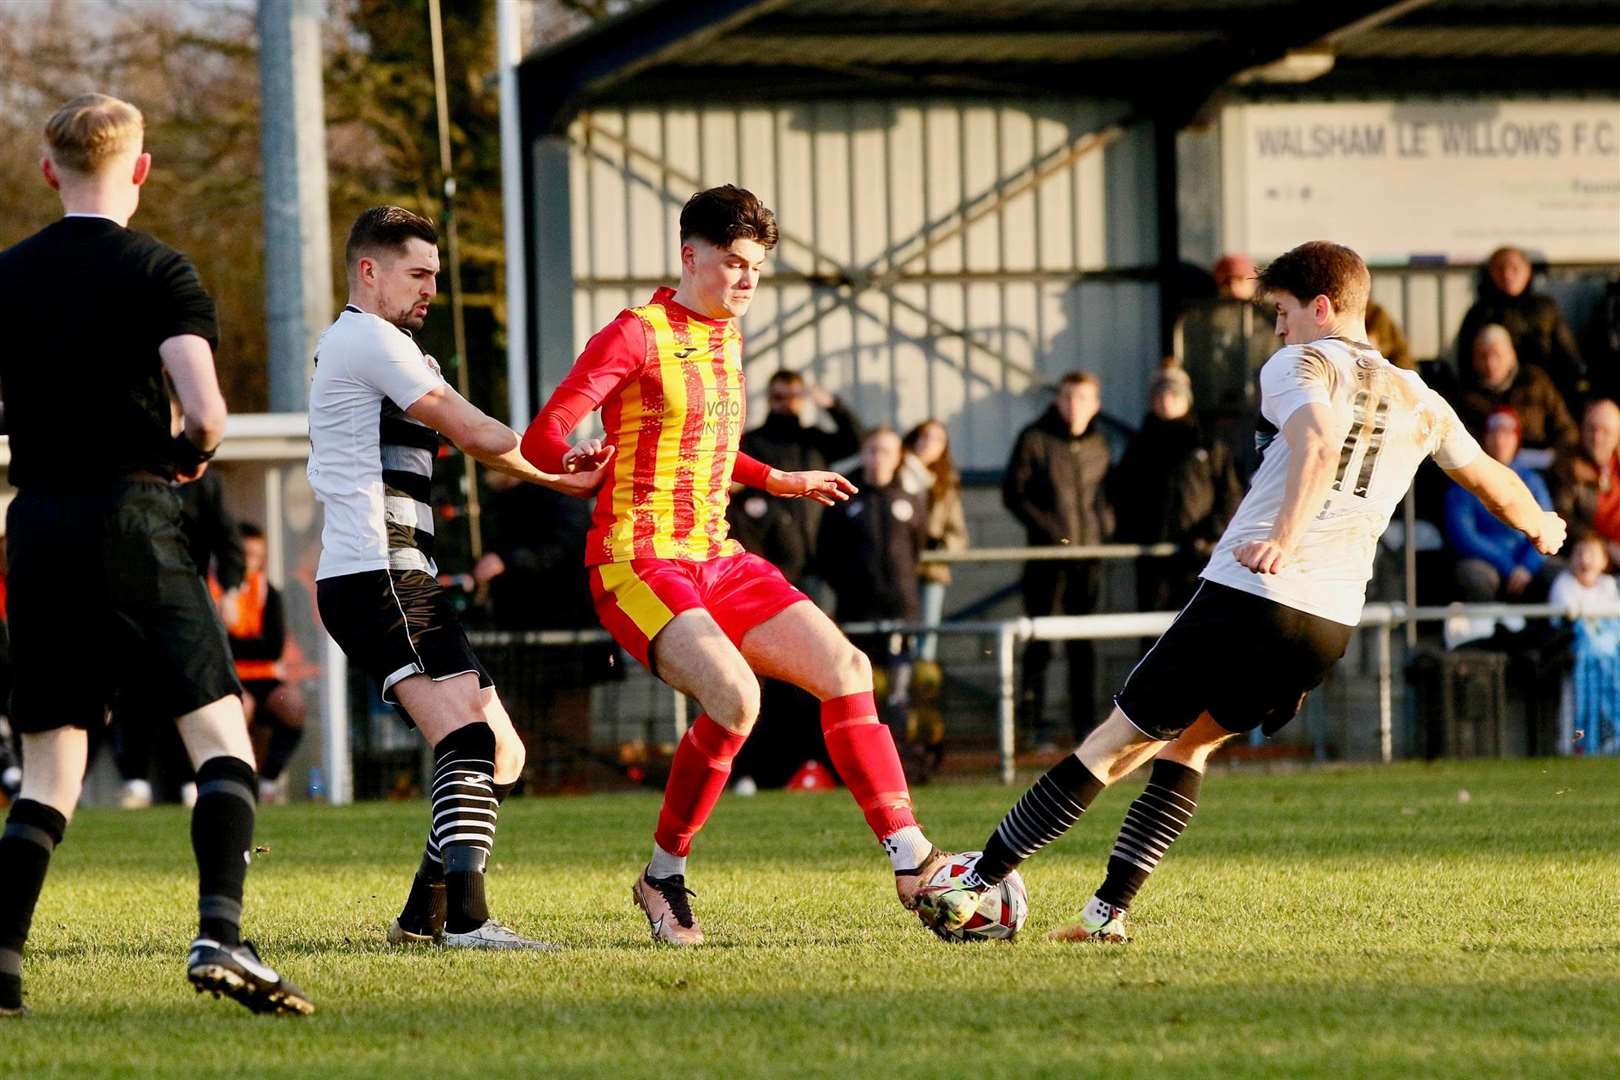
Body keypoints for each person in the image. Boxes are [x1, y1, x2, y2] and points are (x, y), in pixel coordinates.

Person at [916, 240, 1565, 942]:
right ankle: (1106, 915)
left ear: (1322, 307)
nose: (1278, 328)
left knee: (1110, 745)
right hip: (1327, 624)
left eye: (1284, 312)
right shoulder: (1421, 395)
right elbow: (1490, 477)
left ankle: (972, 881)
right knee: (1186, 748)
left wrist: (1283, 537)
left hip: (1251, 590)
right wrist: (1541, 524)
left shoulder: (1300, 363)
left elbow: (1318, 438)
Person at [520, 185, 948, 945]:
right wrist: (570, 458)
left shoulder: (726, 335)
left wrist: (779, 479)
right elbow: (546, 431)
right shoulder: (635, 334)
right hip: (637, 560)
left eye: (757, 267)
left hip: (717, 554)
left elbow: (707, 446)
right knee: (738, 700)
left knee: (848, 668)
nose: (748, 281)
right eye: (735, 264)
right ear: (691, 257)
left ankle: (911, 855)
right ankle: (664, 875)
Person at [0, 94, 311, 1016]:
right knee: (221, 739)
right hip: (134, 512)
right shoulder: (159, 270)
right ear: (140, 169)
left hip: (39, 524)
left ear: (49, 171)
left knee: (50, 771)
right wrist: (193, 457)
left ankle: (4, 965)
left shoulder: (7, 276)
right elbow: (206, 410)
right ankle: (221, 934)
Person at [309, 205, 597, 951]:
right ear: (368, 271)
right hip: (378, 571)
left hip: (403, 577)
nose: (432, 288)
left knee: (501, 749)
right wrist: (559, 448)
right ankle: (466, 921)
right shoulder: (369, 338)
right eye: (418, 273)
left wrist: (565, 479)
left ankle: (420, 919)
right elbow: (477, 433)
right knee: (465, 738)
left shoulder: (388, 346)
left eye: (436, 275)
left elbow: (492, 450)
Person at [1002, 371, 1113, 746]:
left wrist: (1104, 525)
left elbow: (1104, 495)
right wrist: (1050, 531)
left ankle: (1085, 727)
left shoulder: (1100, 443)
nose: (1073, 405)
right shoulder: (1035, 438)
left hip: (1088, 557)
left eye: (1082, 398)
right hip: (1047, 556)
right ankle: (1032, 727)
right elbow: (1014, 493)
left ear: (1095, 404)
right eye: (1067, 397)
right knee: (1040, 641)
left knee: (1083, 644)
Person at [1109, 358, 1244, 612]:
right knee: (1154, 631)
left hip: (1199, 555)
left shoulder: (1207, 443)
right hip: (1153, 556)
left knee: (1194, 626)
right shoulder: (1140, 445)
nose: (1166, 400)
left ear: (1186, 398)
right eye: (1160, 395)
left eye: (1173, 394)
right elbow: (1122, 493)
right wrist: (1133, 534)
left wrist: (1211, 534)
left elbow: (1230, 494)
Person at [736, 368, 863, 588]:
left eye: (793, 397)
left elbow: (856, 441)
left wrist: (832, 405)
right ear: (769, 399)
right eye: (779, 397)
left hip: (817, 556)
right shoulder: (752, 442)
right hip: (771, 556)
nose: (786, 403)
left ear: (802, 399)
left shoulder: (813, 439)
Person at [216, 524, 306, 804]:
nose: (249, 561)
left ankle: (269, 779)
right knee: (241, 708)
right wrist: (248, 643)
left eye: (256, 555)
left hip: (263, 676)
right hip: (226, 675)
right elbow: (213, 644)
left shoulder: (268, 593)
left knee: (292, 705)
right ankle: (234, 781)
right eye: (244, 553)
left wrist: (235, 641)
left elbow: (273, 647)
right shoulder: (212, 589)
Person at [1444, 408, 1558, 603]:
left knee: (1560, 575)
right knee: (1474, 576)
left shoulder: (1533, 481)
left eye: (1507, 434)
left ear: (1517, 439)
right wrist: (1507, 565)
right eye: (1494, 433)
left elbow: (1546, 525)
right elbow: (1464, 535)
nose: (1500, 441)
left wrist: (1526, 567)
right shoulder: (1465, 481)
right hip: (1485, 561)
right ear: (1484, 438)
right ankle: (1482, 632)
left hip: (1525, 562)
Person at [1457, 246, 1586, 407]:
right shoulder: (1479, 314)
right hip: (1494, 402)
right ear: (1490, 273)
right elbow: (1465, 364)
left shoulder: (1545, 308)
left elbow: (1568, 356)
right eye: (1500, 268)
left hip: (1544, 396)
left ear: (1527, 271)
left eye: (1514, 268)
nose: (1507, 274)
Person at [900, 419, 968, 663]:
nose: (930, 443)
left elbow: (957, 531)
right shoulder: (897, 474)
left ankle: (923, 693)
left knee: (926, 639)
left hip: (931, 570)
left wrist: (941, 546)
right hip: (898, 569)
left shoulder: (946, 483)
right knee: (899, 638)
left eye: (938, 439)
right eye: (925, 436)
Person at [1455, 324, 1578, 457]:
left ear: (1511, 354)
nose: (1490, 363)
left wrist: (1555, 459)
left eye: (1497, 355)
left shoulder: (1535, 382)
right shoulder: (1466, 395)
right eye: (1483, 356)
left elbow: (1567, 430)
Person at [1548, 534, 1620, 755]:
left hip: (1609, 662)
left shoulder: (1608, 585)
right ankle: (1575, 746)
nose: (1584, 559)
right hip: (1576, 660)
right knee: (1575, 704)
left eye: (1591, 553)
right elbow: (1571, 620)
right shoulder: (1563, 585)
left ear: (1604, 561)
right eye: (1579, 553)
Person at [1549, 399, 1620, 567]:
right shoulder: (1566, 466)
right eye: (1591, 429)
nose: (1597, 437)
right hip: (1586, 558)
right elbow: (1562, 517)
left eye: (1605, 431)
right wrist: (1605, 547)